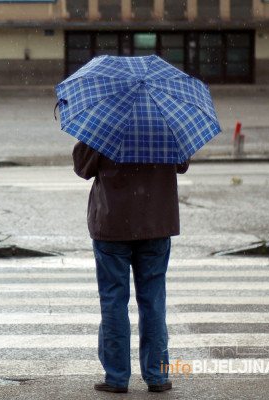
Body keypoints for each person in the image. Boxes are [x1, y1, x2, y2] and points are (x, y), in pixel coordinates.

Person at [73, 140, 189, 394]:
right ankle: (157, 375)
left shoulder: (105, 124)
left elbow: (82, 167)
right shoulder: (164, 121)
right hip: (156, 222)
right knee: (153, 301)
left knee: (113, 300)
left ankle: (116, 377)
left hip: (113, 223)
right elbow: (182, 164)